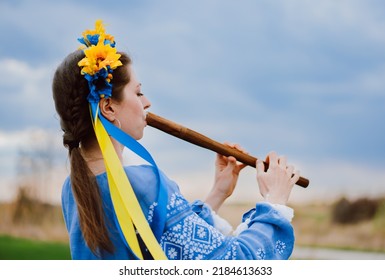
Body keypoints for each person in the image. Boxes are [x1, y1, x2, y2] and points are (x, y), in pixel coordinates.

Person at [52, 20, 300, 260]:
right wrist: (274, 202)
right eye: (138, 92)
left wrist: (218, 192)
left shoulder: (74, 186)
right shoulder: (143, 183)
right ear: (108, 107)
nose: (146, 102)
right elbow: (234, 262)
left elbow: (164, 239)